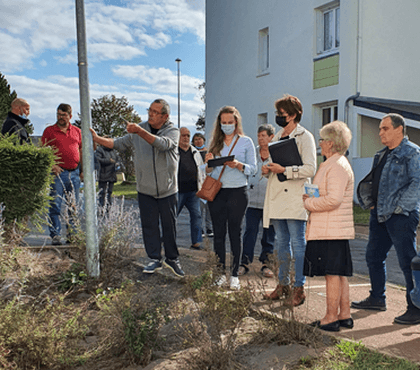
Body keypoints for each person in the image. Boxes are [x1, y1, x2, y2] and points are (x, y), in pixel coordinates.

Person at [90, 99, 184, 278]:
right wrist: (96, 139)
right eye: (150, 110)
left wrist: (139, 131)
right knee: (149, 226)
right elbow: (116, 143)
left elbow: (162, 144)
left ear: (165, 116)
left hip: (167, 189)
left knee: (169, 226)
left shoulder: (173, 131)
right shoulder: (139, 129)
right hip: (145, 188)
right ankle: (154, 258)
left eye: (156, 112)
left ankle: (172, 259)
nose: (150, 114)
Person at [352, 113, 420, 325]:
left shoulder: (412, 152)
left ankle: (415, 308)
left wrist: (401, 208)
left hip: (401, 216)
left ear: (399, 129)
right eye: (380, 129)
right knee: (373, 256)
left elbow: (417, 183)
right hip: (379, 214)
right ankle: (377, 298)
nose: (380, 132)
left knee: (408, 261)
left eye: (385, 128)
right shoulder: (381, 154)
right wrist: (372, 202)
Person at [262, 94, 316, 306]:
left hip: (295, 197)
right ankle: (282, 284)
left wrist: (285, 169)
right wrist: (267, 168)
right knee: (281, 243)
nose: (278, 117)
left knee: (298, 243)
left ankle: (299, 288)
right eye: (277, 114)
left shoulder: (305, 137)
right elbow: (270, 164)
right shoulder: (276, 138)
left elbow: (310, 168)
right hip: (277, 197)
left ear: (293, 115)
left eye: (281, 114)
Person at [302, 121, 354, 332]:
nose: (320, 143)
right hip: (332, 228)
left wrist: (308, 203)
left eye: (322, 140)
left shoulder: (336, 166)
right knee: (338, 273)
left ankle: (331, 317)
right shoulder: (334, 163)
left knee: (332, 274)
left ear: (331, 143)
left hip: (330, 229)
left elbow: (333, 199)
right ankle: (344, 315)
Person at [205, 106, 257, 290]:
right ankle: (219, 274)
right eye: (224, 122)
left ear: (236, 122)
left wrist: (239, 165)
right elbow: (209, 171)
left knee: (235, 233)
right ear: (219, 124)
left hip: (238, 192)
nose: (227, 125)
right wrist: (209, 163)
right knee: (218, 235)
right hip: (218, 192)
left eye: (230, 122)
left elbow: (254, 169)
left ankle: (234, 274)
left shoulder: (246, 142)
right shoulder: (214, 143)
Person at [41, 103, 82, 245]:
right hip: (58, 174)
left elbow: (81, 151)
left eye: (64, 115)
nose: (61, 117)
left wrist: (82, 171)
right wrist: (52, 165)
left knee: (74, 206)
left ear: (70, 116)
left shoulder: (77, 131)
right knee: (55, 206)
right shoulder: (49, 131)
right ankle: (56, 235)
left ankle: (73, 235)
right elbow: (44, 152)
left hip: (75, 174)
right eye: (58, 114)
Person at [239, 124, 276, 278]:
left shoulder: (276, 154)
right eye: (259, 135)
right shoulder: (252, 153)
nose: (260, 138)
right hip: (252, 201)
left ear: (271, 137)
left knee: (269, 235)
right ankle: (244, 262)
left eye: (264, 136)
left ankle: (267, 264)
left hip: (270, 202)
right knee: (250, 232)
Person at [177, 127, 204, 250]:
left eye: (188, 135)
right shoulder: (174, 151)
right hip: (177, 191)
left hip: (193, 191)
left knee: (197, 216)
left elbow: (201, 170)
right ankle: (164, 239)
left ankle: (196, 242)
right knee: (171, 216)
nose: (186, 138)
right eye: (183, 135)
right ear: (178, 137)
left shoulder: (195, 152)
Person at [192, 132, 213, 238]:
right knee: (199, 209)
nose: (198, 141)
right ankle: (200, 230)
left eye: (200, 139)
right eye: (196, 139)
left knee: (209, 209)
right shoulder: (193, 153)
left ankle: (209, 228)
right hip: (198, 184)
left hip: (209, 183)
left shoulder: (209, 153)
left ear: (204, 140)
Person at [95, 140, 119, 209]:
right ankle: (102, 209)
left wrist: (118, 163)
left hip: (112, 175)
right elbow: (98, 159)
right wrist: (109, 160)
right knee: (103, 193)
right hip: (103, 175)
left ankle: (109, 209)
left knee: (109, 193)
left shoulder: (113, 151)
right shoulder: (99, 150)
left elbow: (117, 159)